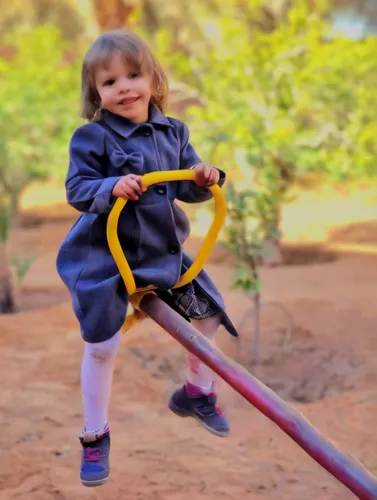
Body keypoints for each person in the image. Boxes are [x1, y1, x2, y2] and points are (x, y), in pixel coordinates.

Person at [56, 29, 238, 488]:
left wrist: (205, 176)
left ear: (153, 79)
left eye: (133, 75)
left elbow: (191, 188)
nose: (124, 88)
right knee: (101, 345)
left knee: (210, 317)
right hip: (108, 257)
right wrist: (109, 187)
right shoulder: (91, 137)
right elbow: (77, 189)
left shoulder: (174, 131)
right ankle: (94, 432)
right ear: (95, 92)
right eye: (110, 81)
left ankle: (197, 391)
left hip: (161, 251)